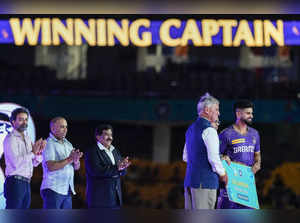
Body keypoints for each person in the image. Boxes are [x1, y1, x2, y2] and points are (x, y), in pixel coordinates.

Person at [184, 93, 228, 210]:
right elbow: (213, 159)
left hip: (189, 182)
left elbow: (185, 157)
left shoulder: (190, 129)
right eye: (217, 109)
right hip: (205, 183)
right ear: (207, 110)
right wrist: (223, 174)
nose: (219, 113)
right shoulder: (209, 130)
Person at [217, 100, 261, 209]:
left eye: (252, 113)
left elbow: (257, 155)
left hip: (248, 183)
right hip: (230, 184)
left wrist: (257, 164)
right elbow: (215, 155)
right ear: (238, 113)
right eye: (248, 113)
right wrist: (223, 157)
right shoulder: (225, 134)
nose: (251, 116)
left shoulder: (255, 134)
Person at [3, 107, 46, 209]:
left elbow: (34, 163)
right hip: (15, 182)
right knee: (13, 216)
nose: (24, 122)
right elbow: (16, 163)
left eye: (26, 119)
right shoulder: (10, 139)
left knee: (23, 216)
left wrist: (39, 153)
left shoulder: (27, 138)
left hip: (26, 182)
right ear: (13, 122)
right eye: (21, 119)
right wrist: (33, 152)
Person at [40, 117, 83, 209]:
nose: (65, 130)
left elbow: (76, 167)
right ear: (53, 128)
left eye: (66, 127)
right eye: (62, 127)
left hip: (67, 189)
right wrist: (69, 159)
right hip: (53, 189)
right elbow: (50, 167)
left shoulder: (68, 144)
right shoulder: (49, 143)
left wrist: (76, 161)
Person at [84, 124, 131, 209]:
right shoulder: (92, 152)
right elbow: (96, 171)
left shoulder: (114, 150)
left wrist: (123, 167)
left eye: (111, 135)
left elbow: (121, 171)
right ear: (98, 137)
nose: (110, 137)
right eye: (106, 134)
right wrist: (117, 168)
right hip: (99, 199)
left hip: (115, 197)